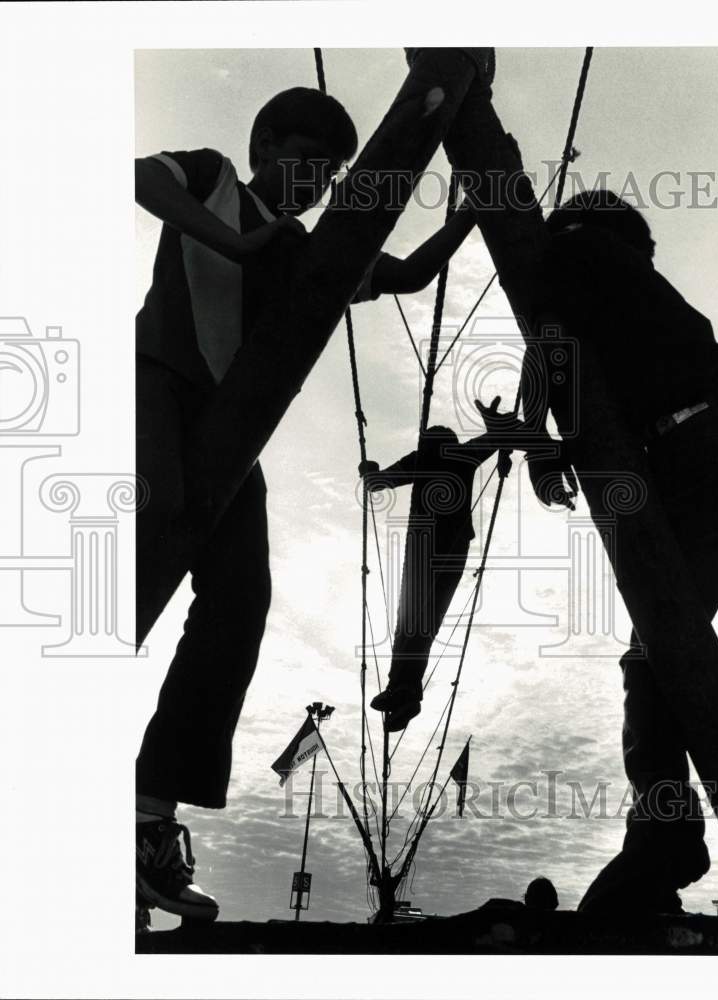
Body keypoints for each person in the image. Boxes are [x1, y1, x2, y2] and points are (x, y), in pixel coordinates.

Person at [134, 86, 478, 923]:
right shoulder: (215, 179)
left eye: (327, 175)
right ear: (261, 146)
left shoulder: (307, 252)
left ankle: (148, 819)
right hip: (155, 389)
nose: (314, 182)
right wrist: (241, 239)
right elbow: (142, 178)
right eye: (302, 161)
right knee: (137, 560)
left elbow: (402, 273)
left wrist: (473, 215)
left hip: (228, 441)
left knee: (241, 600)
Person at [521, 190, 718, 915]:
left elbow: (550, 340)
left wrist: (542, 445)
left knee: (657, 653)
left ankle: (663, 835)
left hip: (703, 445)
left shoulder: (567, 248)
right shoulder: (634, 283)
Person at [361, 397, 519, 731]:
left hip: (424, 545)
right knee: (422, 621)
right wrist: (500, 437)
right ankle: (402, 689)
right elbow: (496, 438)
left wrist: (370, 471)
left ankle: (402, 688)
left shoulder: (423, 457)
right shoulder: (460, 454)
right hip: (453, 547)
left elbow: (381, 482)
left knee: (411, 622)